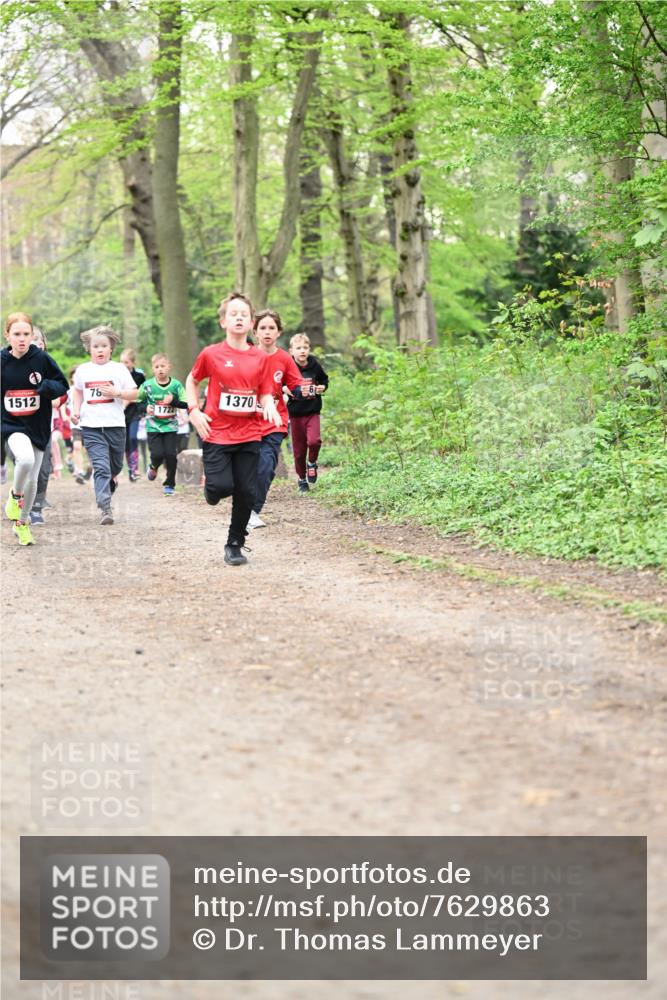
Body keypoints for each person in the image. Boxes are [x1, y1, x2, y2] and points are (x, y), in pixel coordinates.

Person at [185, 291, 282, 566]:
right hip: (216, 432)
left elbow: (264, 393)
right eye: (233, 314)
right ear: (223, 322)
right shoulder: (211, 354)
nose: (239, 318)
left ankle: (235, 543)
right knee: (219, 489)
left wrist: (270, 405)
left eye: (244, 315)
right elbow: (192, 382)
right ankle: (211, 487)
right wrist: (194, 411)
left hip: (250, 432)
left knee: (246, 491)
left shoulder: (259, 358)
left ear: (251, 322)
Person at [1, 312, 68, 544]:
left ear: (32, 335)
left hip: (38, 426)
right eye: (17, 334)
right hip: (12, 425)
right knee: (26, 461)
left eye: (26, 334)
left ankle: (23, 523)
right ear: (7, 335)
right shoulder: (1, 361)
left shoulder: (41, 359)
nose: (22, 339)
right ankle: (14, 495)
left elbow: (62, 385)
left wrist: (46, 387)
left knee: (33, 480)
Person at [70, 326, 136, 525]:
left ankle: (109, 483)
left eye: (104, 346)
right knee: (101, 467)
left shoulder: (119, 369)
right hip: (91, 427)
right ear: (89, 349)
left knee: (115, 466)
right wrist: (75, 410)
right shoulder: (83, 370)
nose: (99, 350)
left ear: (111, 348)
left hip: (116, 426)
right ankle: (105, 506)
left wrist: (117, 392)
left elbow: (135, 393)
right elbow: (78, 391)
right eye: (95, 346)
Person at [101, 352, 187, 496]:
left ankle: (169, 484)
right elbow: (138, 398)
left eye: (163, 366)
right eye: (157, 367)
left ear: (169, 367)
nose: (160, 369)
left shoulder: (176, 385)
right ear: (153, 369)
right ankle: (153, 466)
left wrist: (173, 401)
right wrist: (145, 408)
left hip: (171, 426)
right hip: (153, 427)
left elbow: (185, 404)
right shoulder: (148, 385)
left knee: (171, 455)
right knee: (158, 454)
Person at [249, 309, 304, 528]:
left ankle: (253, 510)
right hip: (247, 422)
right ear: (255, 332)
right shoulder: (247, 356)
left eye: (272, 328)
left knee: (266, 467)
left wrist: (301, 391)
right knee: (246, 467)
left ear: (279, 332)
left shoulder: (284, 358)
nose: (267, 332)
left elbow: (296, 384)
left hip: (274, 422)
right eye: (263, 328)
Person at [287, 333, 328, 493]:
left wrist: (322, 387)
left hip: (312, 411)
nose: (302, 351)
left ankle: (312, 462)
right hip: (295, 413)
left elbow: (324, 380)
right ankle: (302, 479)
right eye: (298, 348)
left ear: (309, 349)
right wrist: (290, 391)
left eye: (305, 348)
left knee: (314, 441)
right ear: (291, 351)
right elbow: (283, 384)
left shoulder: (314, 365)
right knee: (298, 451)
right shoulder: (289, 366)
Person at [119, 348, 146, 482]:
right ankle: (130, 469)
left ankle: (135, 468)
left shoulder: (139, 377)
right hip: (120, 414)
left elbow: (142, 395)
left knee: (133, 438)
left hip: (134, 412)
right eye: (121, 362)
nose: (124, 365)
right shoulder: (117, 376)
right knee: (124, 443)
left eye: (126, 362)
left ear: (133, 363)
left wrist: (143, 410)